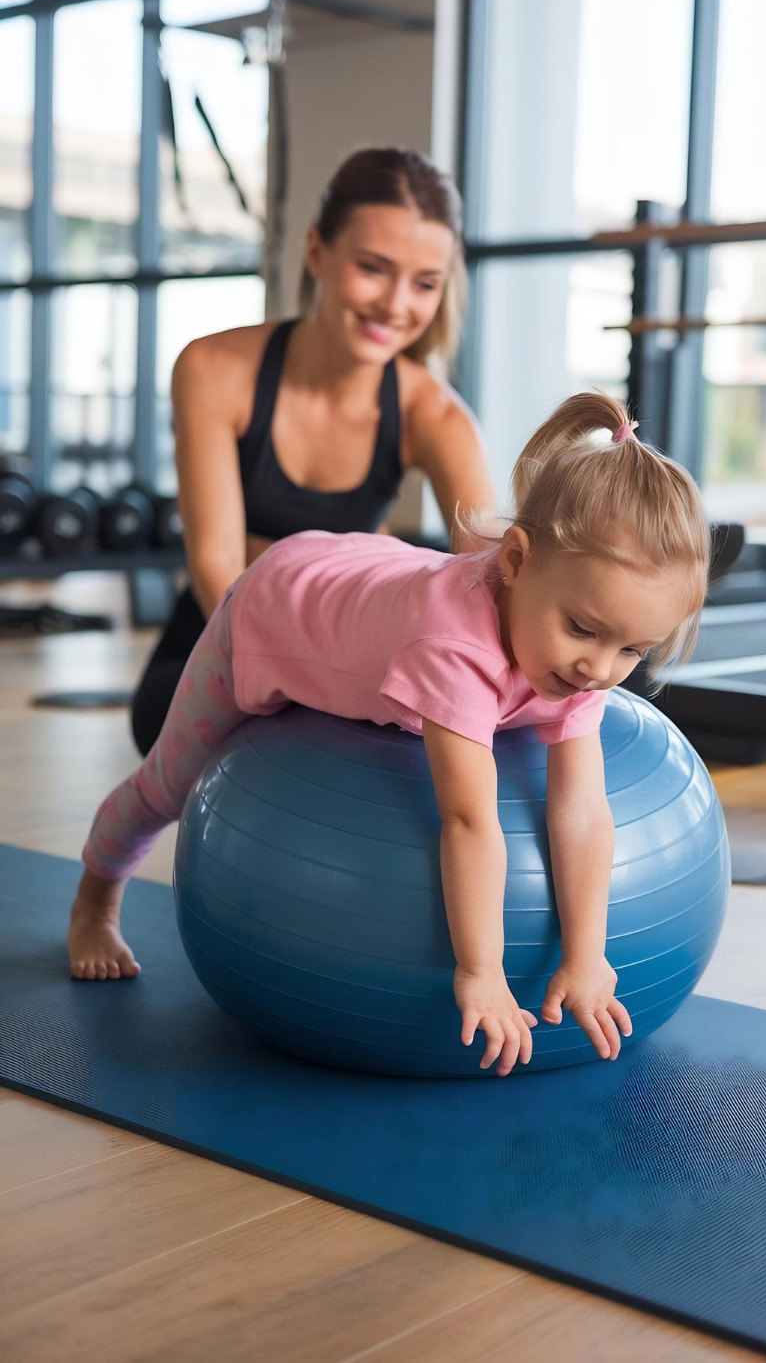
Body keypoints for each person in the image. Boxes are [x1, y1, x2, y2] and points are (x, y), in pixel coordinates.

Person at [69, 393, 711, 1077]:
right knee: (168, 782)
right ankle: (94, 899)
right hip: (276, 604)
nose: (598, 670)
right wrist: (481, 971)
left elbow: (581, 809)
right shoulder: (452, 649)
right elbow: (468, 820)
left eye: (631, 650)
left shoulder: (583, 654)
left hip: (373, 573)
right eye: (582, 630)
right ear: (516, 561)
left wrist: (587, 957)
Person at [131, 146, 495, 755]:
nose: (396, 304)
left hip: (351, 641)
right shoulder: (212, 369)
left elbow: (489, 584)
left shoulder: (437, 416)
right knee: (164, 718)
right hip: (227, 632)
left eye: (425, 283)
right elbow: (218, 571)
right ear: (317, 252)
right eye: (373, 268)